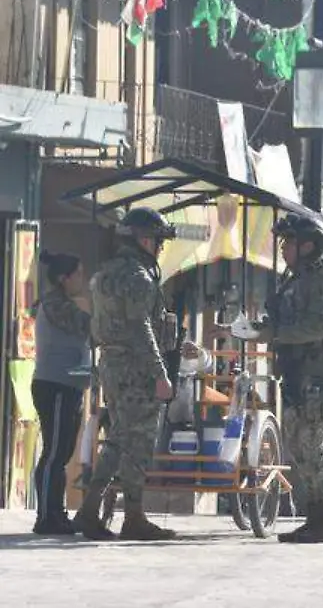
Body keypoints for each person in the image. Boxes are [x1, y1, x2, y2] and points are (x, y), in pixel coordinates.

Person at [231, 212, 323, 544]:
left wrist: (272, 334)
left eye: (290, 243)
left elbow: (318, 327)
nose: (283, 249)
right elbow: (282, 321)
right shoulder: (295, 279)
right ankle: (314, 517)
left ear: (309, 246)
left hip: (318, 375)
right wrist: (259, 328)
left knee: (313, 443)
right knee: (298, 446)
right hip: (297, 374)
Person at [74, 207, 179, 541]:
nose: (160, 248)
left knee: (119, 437)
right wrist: (160, 374)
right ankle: (132, 516)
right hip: (136, 367)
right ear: (143, 239)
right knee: (137, 441)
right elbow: (140, 328)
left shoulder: (106, 273)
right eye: (158, 241)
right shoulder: (138, 275)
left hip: (112, 363)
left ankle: (90, 510)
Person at [31, 252, 91, 535]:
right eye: (78, 274)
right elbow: (89, 327)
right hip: (53, 384)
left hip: (70, 385)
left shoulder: (65, 302)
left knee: (64, 452)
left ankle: (56, 512)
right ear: (63, 278)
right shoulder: (55, 303)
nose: (82, 279)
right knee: (54, 452)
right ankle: (45, 516)